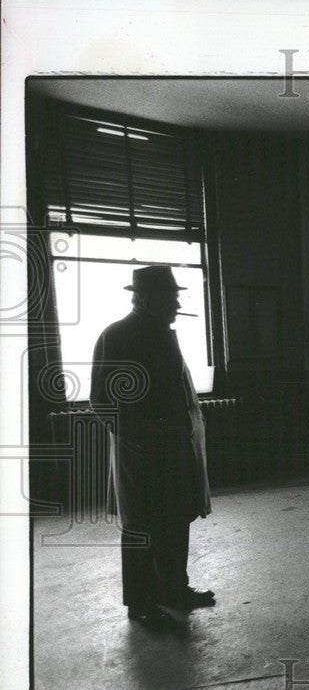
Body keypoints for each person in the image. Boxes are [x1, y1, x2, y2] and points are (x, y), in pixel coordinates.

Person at [91, 266, 215, 630]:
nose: (178, 302)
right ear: (147, 299)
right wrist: (142, 440)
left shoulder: (160, 333)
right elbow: (102, 400)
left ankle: (175, 590)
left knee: (175, 521)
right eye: (171, 296)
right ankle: (141, 604)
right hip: (142, 456)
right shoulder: (118, 335)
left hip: (173, 451)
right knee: (142, 526)